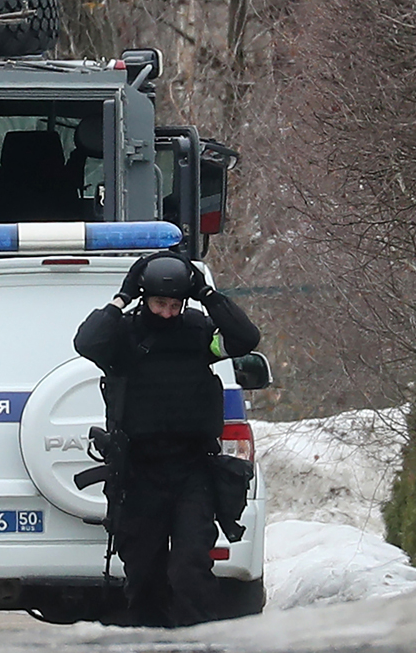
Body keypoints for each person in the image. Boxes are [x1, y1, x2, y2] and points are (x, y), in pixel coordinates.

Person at [73, 251, 261, 627]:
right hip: (139, 472)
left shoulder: (199, 335)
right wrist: (121, 297)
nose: (167, 313)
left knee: (191, 568)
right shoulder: (123, 337)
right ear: (145, 298)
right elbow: (86, 342)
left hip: (192, 470)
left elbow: (244, 337)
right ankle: (149, 640)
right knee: (144, 575)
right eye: (160, 303)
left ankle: (198, 641)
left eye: (175, 304)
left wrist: (207, 294)